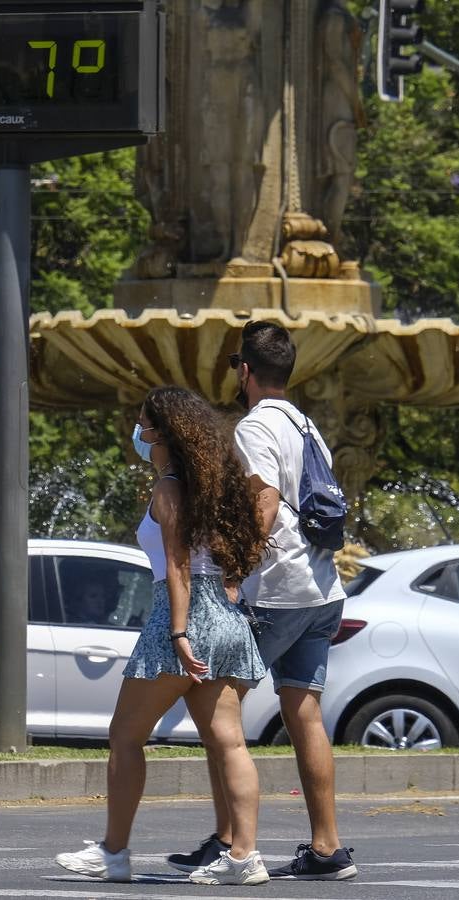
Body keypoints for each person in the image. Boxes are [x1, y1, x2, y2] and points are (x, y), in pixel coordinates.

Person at [56, 385, 271, 886]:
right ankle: (244, 856)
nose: (139, 434)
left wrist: (178, 632)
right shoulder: (219, 485)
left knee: (125, 736)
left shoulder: (170, 486)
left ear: (163, 434)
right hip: (226, 617)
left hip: (183, 616)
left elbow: (176, 564)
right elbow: (268, 500)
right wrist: (234, 580)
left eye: (143, 425)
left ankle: (113, 852)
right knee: (229, 743)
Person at [169, 319, 357, 881]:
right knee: (304, 712)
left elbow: (265, 505)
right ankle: (327, 849)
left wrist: (233, 576)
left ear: (245, 371)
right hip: (323, 590)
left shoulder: (255, 426)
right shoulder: (305, 423)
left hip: (277, 589)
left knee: (213, 704)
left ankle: (232, 844)